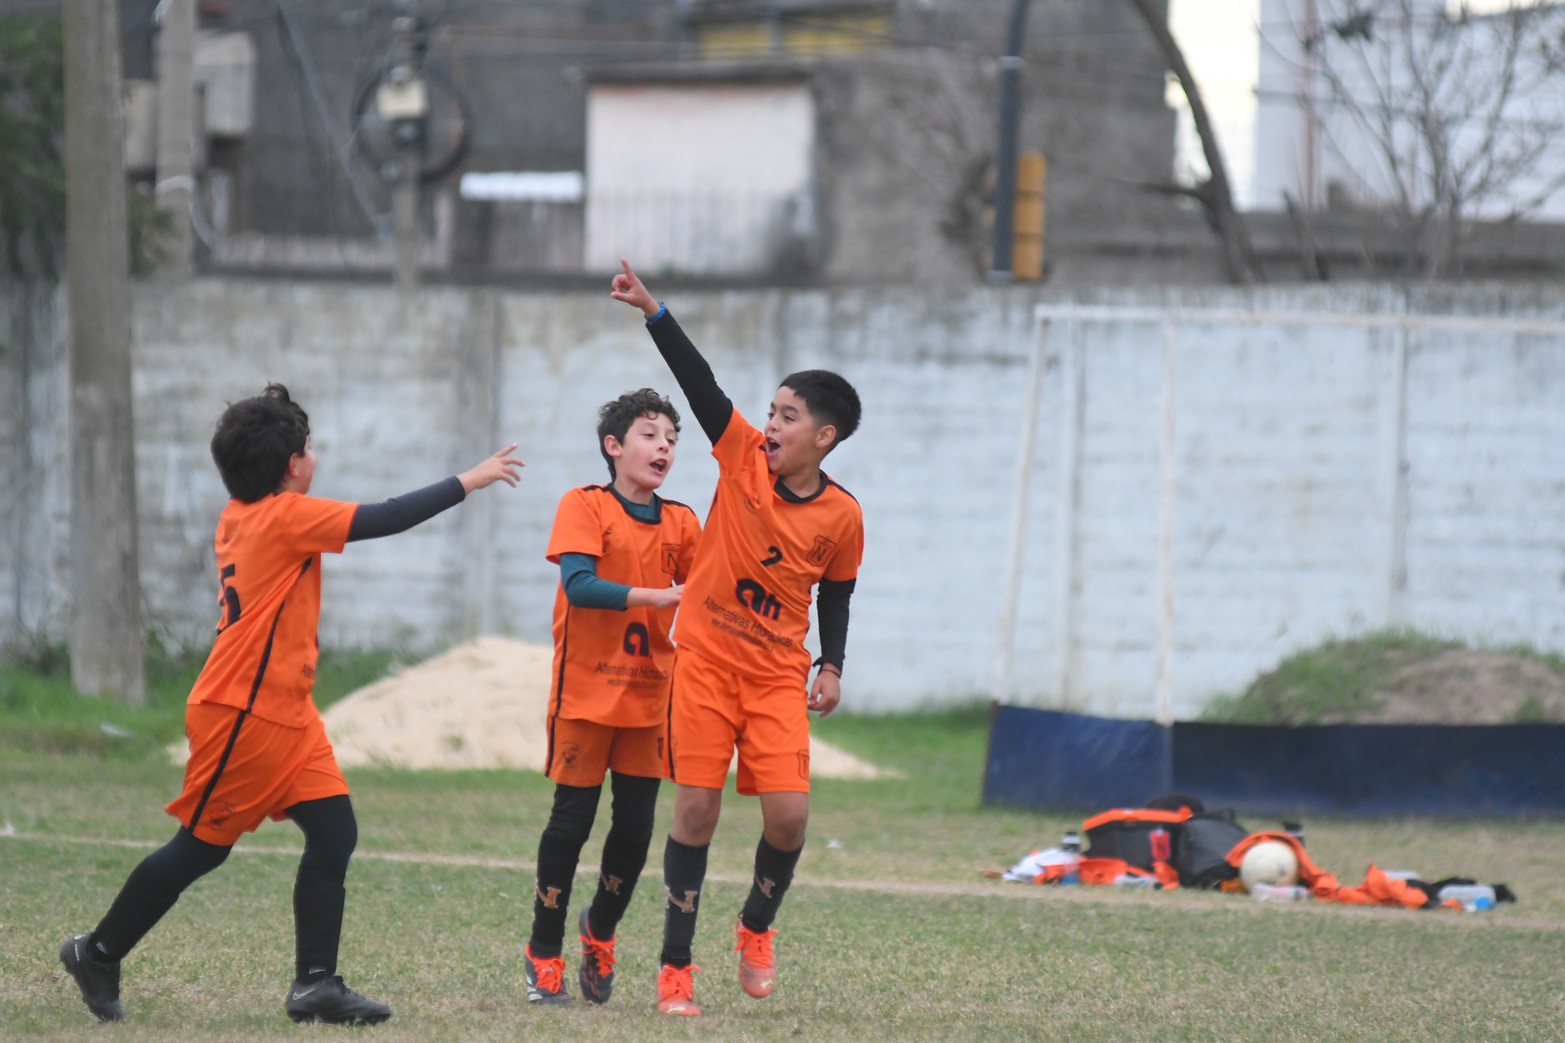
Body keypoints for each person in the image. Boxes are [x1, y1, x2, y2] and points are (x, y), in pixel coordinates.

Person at [58, 383, 523, 1026]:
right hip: (242, 717)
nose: (314, 455)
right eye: (309, 447)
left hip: (288, 713)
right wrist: (470, 479)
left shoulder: (241, 513)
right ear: (291, 467)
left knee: (335, 831)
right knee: (200, 848)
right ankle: (97, 952)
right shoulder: (284, 517)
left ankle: (315, 986)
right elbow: (385, 517)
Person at [609, 259, 864, 1017]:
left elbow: (838, 590)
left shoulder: (843, 516)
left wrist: (833, 663)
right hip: (706, 665)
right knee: (695, 812)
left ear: (823, 435)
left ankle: (755, 927)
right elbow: (699, 383)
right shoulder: (740, 454)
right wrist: (654, 310)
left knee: (788, 817)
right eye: (771, 410)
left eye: (786, 415)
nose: (771, 424)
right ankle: (674, 969)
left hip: (778, 675)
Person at [521, 388, 701, 1007]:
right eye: (652, 435)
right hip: (587, 693)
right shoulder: (584, 505)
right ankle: (543, 951)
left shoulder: (682, 522)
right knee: (570, 824)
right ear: (614, 446)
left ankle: (599, 931)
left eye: (673, 440)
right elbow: (580, 585)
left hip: (651, 699)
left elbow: (708, 597)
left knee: (634, 828)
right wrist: (659, 597)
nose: (665, 448)